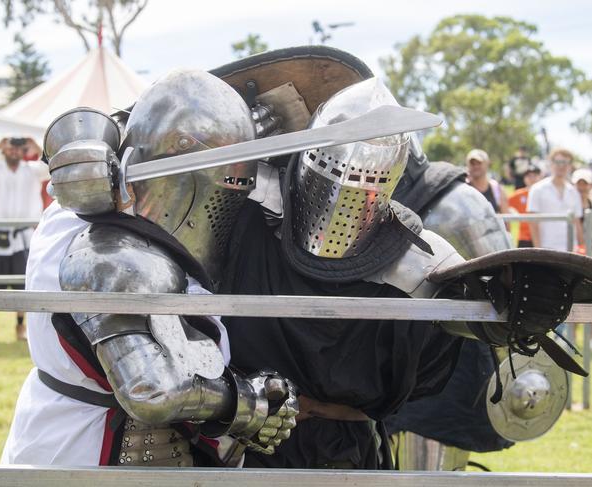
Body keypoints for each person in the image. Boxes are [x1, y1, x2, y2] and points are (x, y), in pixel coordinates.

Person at [217, 76, 584, 470]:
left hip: (350, 453)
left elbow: (469, 313)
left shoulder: (418, 256)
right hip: (248, 443)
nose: (344, 190)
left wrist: (510, 305)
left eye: (364, 182)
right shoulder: (248, 211)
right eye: (335, 170)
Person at [1, 70, 297, 467]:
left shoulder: (65, 212)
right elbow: (151, 388)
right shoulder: (114, 253)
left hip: (51, 426)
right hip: (93, 450)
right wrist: (251, 402)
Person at [0, 137, 48, 342]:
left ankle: (20, 326)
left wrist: (36, 145)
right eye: (10, 147)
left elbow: (51, 167)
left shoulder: (31, 170)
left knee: (23, 283)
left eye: (19, 147)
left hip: (23, 236)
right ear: (4, 149)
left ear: (24, 150)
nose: (14, 151)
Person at [527, 148, 584, 251]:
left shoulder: (574, 192)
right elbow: (533, 222)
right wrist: (538, 250)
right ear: (551, 163)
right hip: (547, 248)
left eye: (565, 162)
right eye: (557, 162)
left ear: (570, 166)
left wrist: (583, 248)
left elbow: (577, 222)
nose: (561, 166)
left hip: (571, 248)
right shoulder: (537, 189)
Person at [508, 164, 542, 248]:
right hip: (524, 237)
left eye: (535, 176)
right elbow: (505, 205)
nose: (532, 179)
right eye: (529, 176)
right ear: (524, 178)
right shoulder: (519, 194)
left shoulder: (544, 194)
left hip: (541, 235)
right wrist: (514, 213)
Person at [466, 149, 509, 214]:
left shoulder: (497, 189)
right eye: (472, 163)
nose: (476, 166)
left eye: (479, 163)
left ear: (487, 164)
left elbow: (506, 220)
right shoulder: (464, 189)